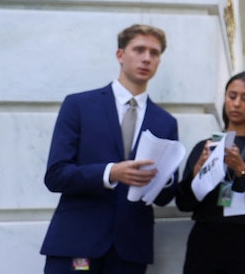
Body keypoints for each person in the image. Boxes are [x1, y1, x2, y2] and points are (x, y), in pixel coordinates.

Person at [41, 24, 179, 274]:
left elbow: (165, 196)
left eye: (154, 53)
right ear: (120, 55)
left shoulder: (166, 122)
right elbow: (56, 175)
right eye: (139, 49)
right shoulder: (79, 106)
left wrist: (163, 179)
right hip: (77, 242)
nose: (147, 58)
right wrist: (110, 173)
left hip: (130, 250)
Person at [176, 71, 245, 273]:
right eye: (231, 96)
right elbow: (184, 204)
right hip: (205, 245)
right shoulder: (204, 146)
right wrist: (197, 172)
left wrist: (242, 170)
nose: (236, 104)